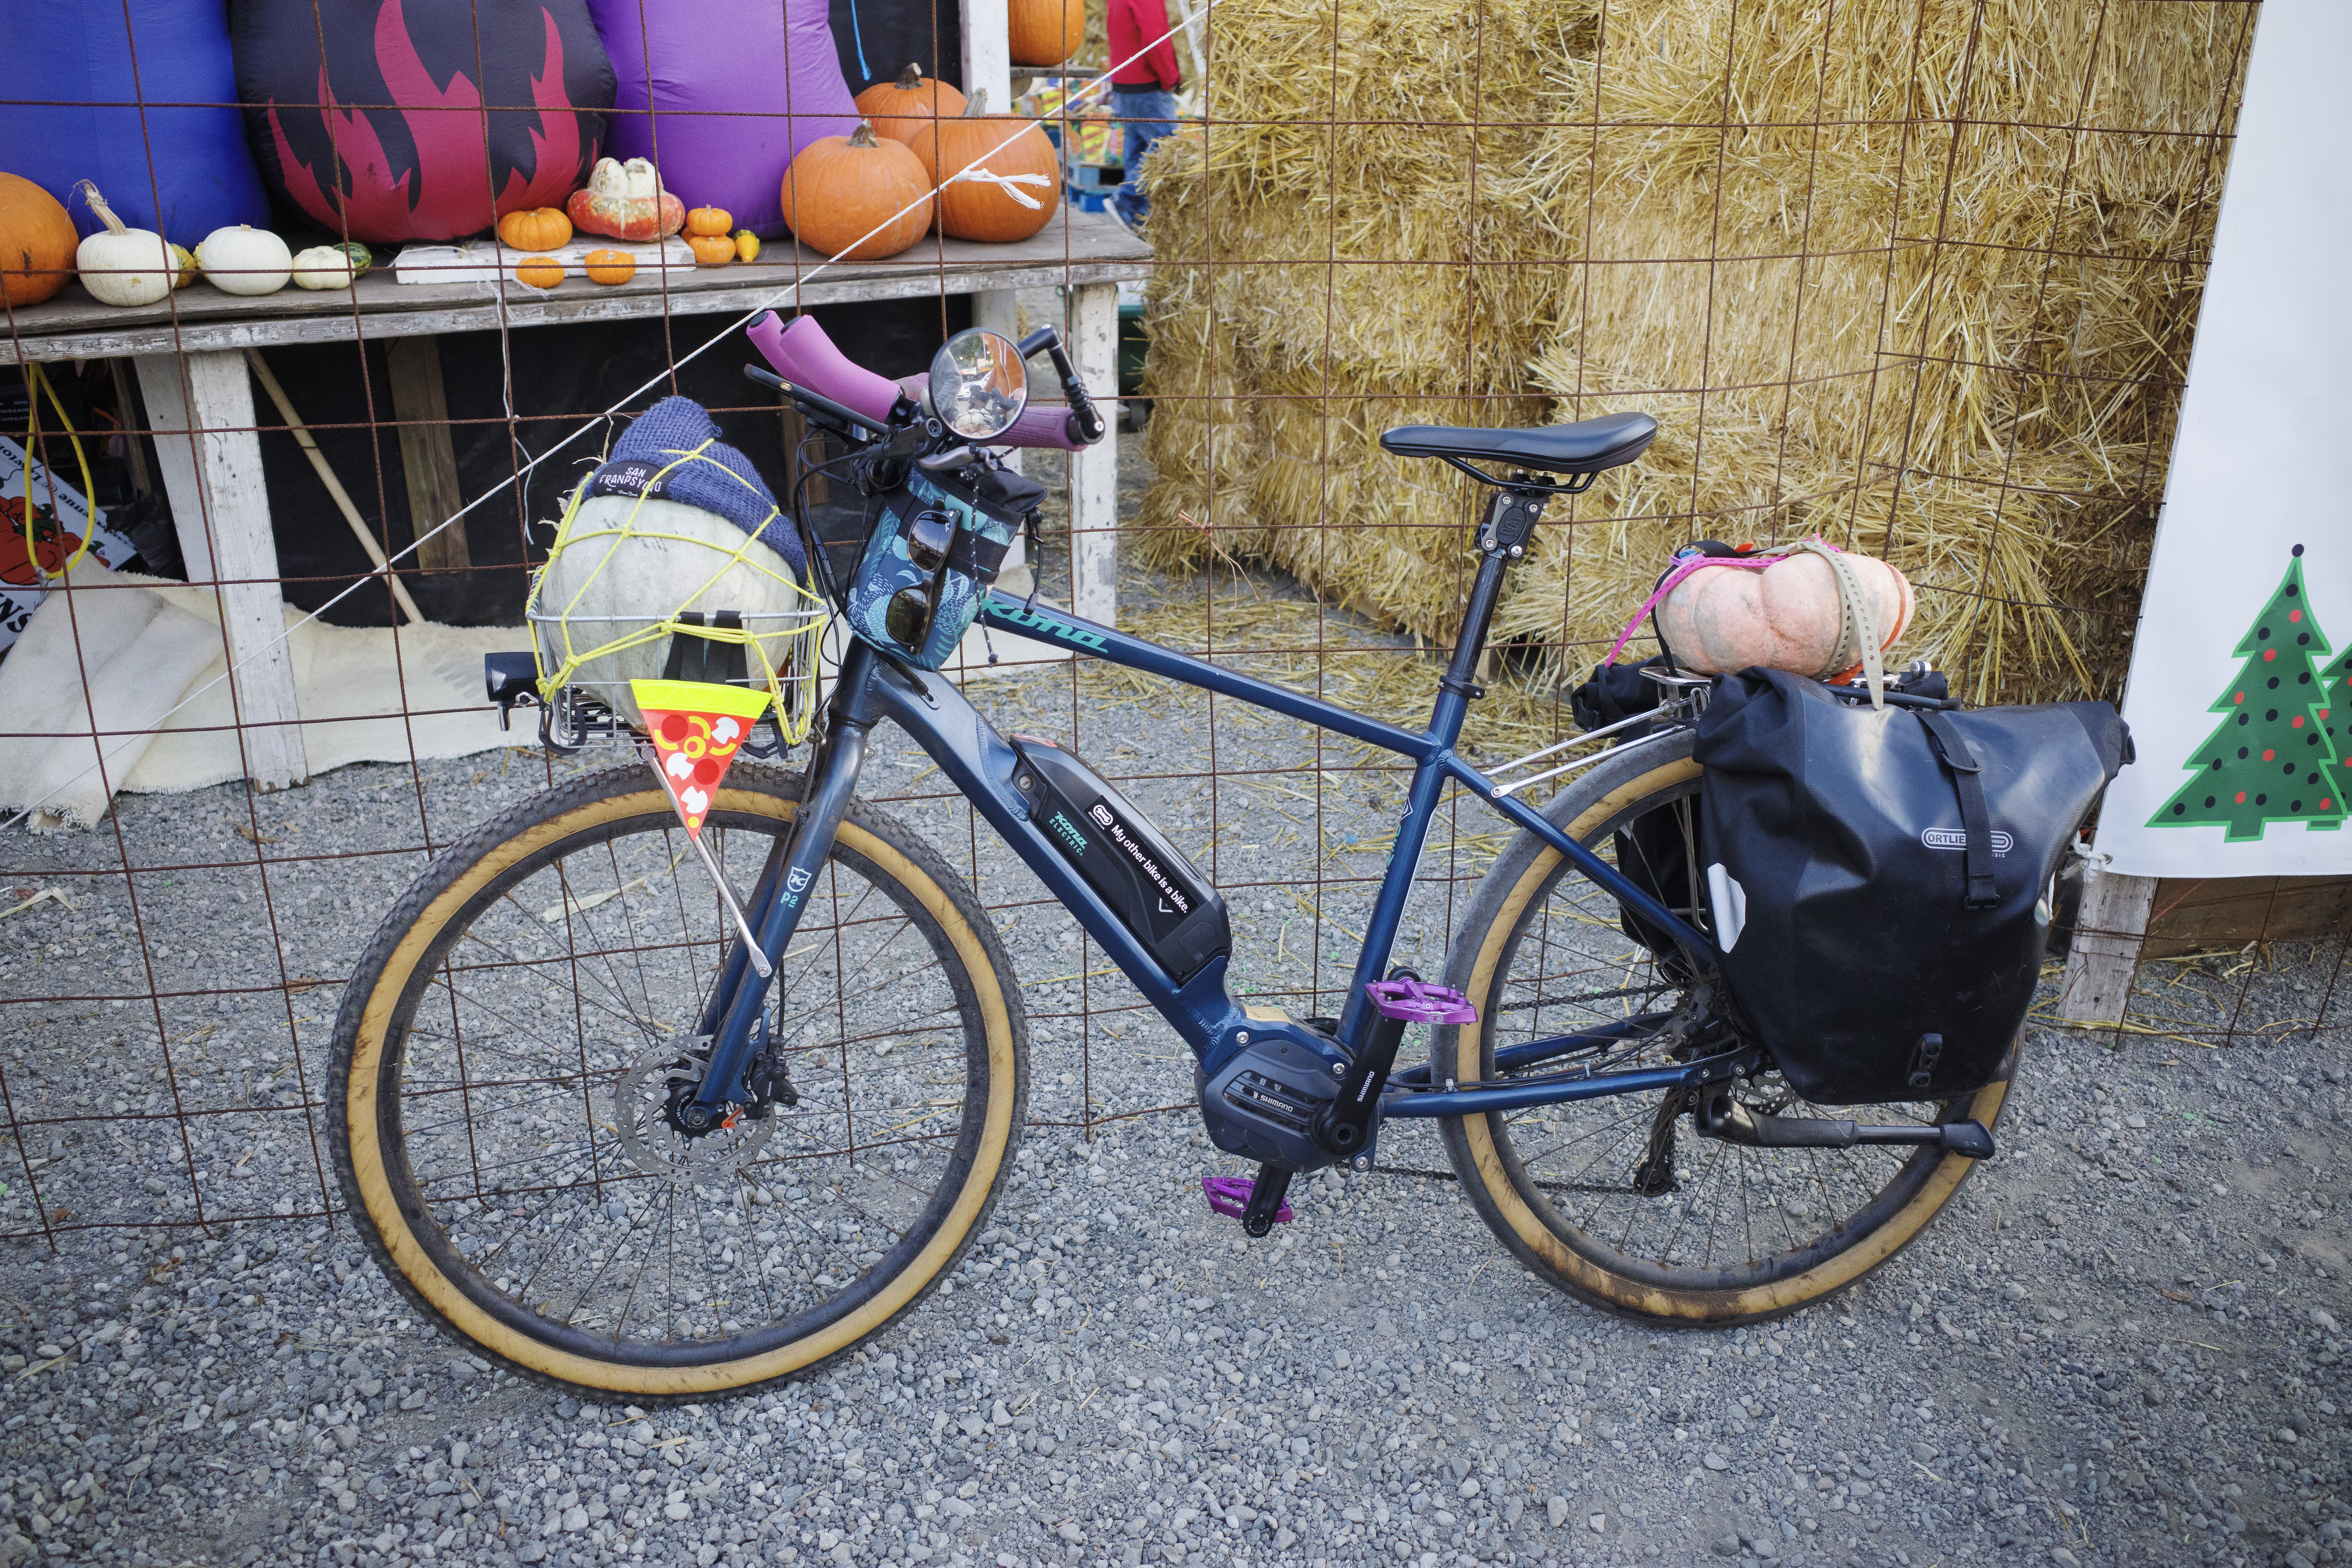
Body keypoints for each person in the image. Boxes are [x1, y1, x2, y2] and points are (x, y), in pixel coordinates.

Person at [1104, 0, 1181, 233]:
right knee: (1166, 148)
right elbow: (1156, 38)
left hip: (1125, 80)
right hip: (1147, 83)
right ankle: (1129, 201)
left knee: (1137, 150)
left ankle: (1138, 217)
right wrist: (1171, 77)